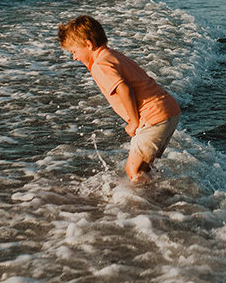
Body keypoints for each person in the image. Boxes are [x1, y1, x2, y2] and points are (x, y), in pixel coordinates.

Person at [58, 15, 181, 182]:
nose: (74, 57)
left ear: (88, 44)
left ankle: (148, 205)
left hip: (152, 117)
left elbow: (124, 89)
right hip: (168, 111)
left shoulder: (100, 64)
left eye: (74, 51)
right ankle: (166, 197)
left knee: (134, 171)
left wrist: (134, 121)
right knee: (145, 169)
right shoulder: (111, 55)